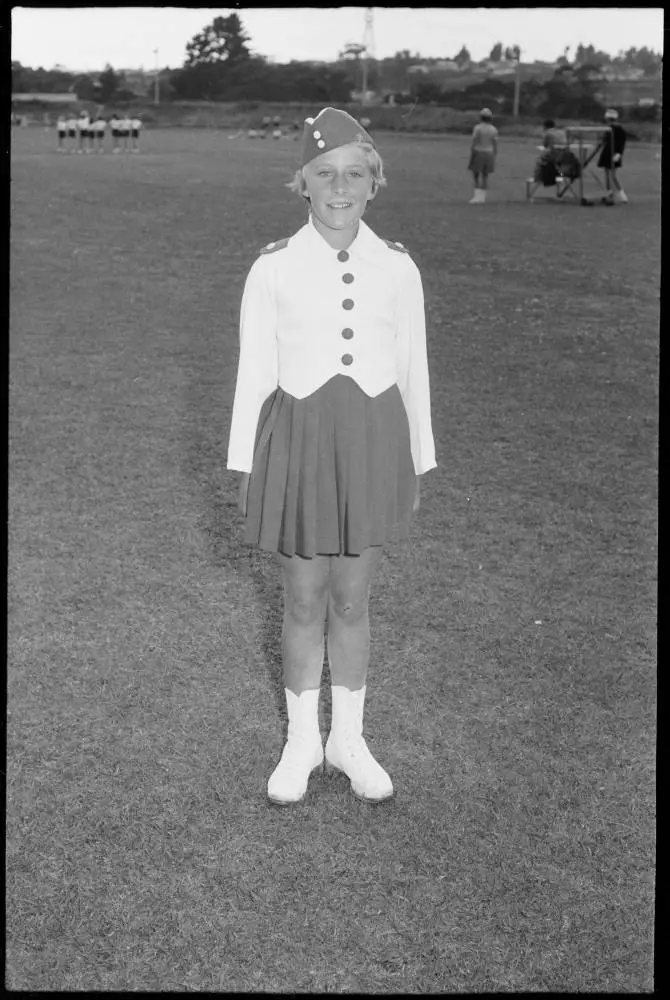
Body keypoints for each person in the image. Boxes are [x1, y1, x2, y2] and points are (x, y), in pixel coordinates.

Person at [227, 107, 437, 807]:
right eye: (325, 174)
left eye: (354, 174)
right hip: (301, 442)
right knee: (304, 597)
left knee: (353, 600)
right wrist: (247, 468)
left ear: (374, 182)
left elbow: (414, 372)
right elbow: (254, 374)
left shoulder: (399, 268)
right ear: (304, 184)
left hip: (375, 443)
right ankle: (300, 742)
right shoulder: (273, 267)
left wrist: (416, 462)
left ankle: (348, 740)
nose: (339, 187)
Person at [468, 108, 498, 203]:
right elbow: (494, 142)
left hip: (478, 151)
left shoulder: (478, 128)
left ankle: (477, 196)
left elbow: (474, 140)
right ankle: (482, 197)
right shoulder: (493, 129)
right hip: (489, 152)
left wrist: (472, 150)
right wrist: (495, 153)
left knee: (476, 175)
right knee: (485, 175)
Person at [598, 108, 628, 204]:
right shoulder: (613, 129)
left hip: (612, 154)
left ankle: (621, 195)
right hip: (610, 153)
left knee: (612, 175)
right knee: (608, 173)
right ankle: (610, 193)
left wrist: (618, 153)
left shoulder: (614, 129)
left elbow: (620, 143)